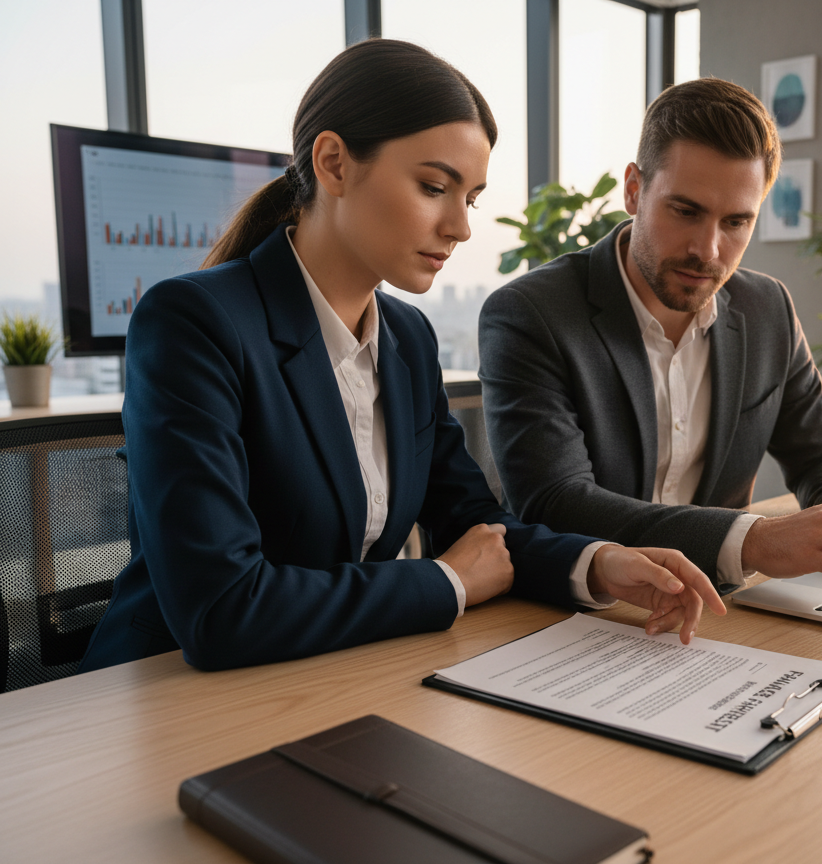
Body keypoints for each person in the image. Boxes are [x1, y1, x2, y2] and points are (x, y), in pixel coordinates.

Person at [80, 40, 725, 674]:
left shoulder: (407, 340)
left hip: (330, 675)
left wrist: (598, 562)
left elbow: (473, 523)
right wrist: (447, 583)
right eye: (433, 187)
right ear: (333, 163)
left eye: (468, 198)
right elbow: (221, 608)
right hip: (165, 697)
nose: (461, 227)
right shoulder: (195, 322)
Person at [478, 78, 822, 599]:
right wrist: (753, 541)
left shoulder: (769, 310)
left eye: (737, 221)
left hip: (718, 610)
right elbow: (557, 501)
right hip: (574, 614)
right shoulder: (532, 314)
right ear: (634, 189)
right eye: (685, 211)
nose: (708, 250)